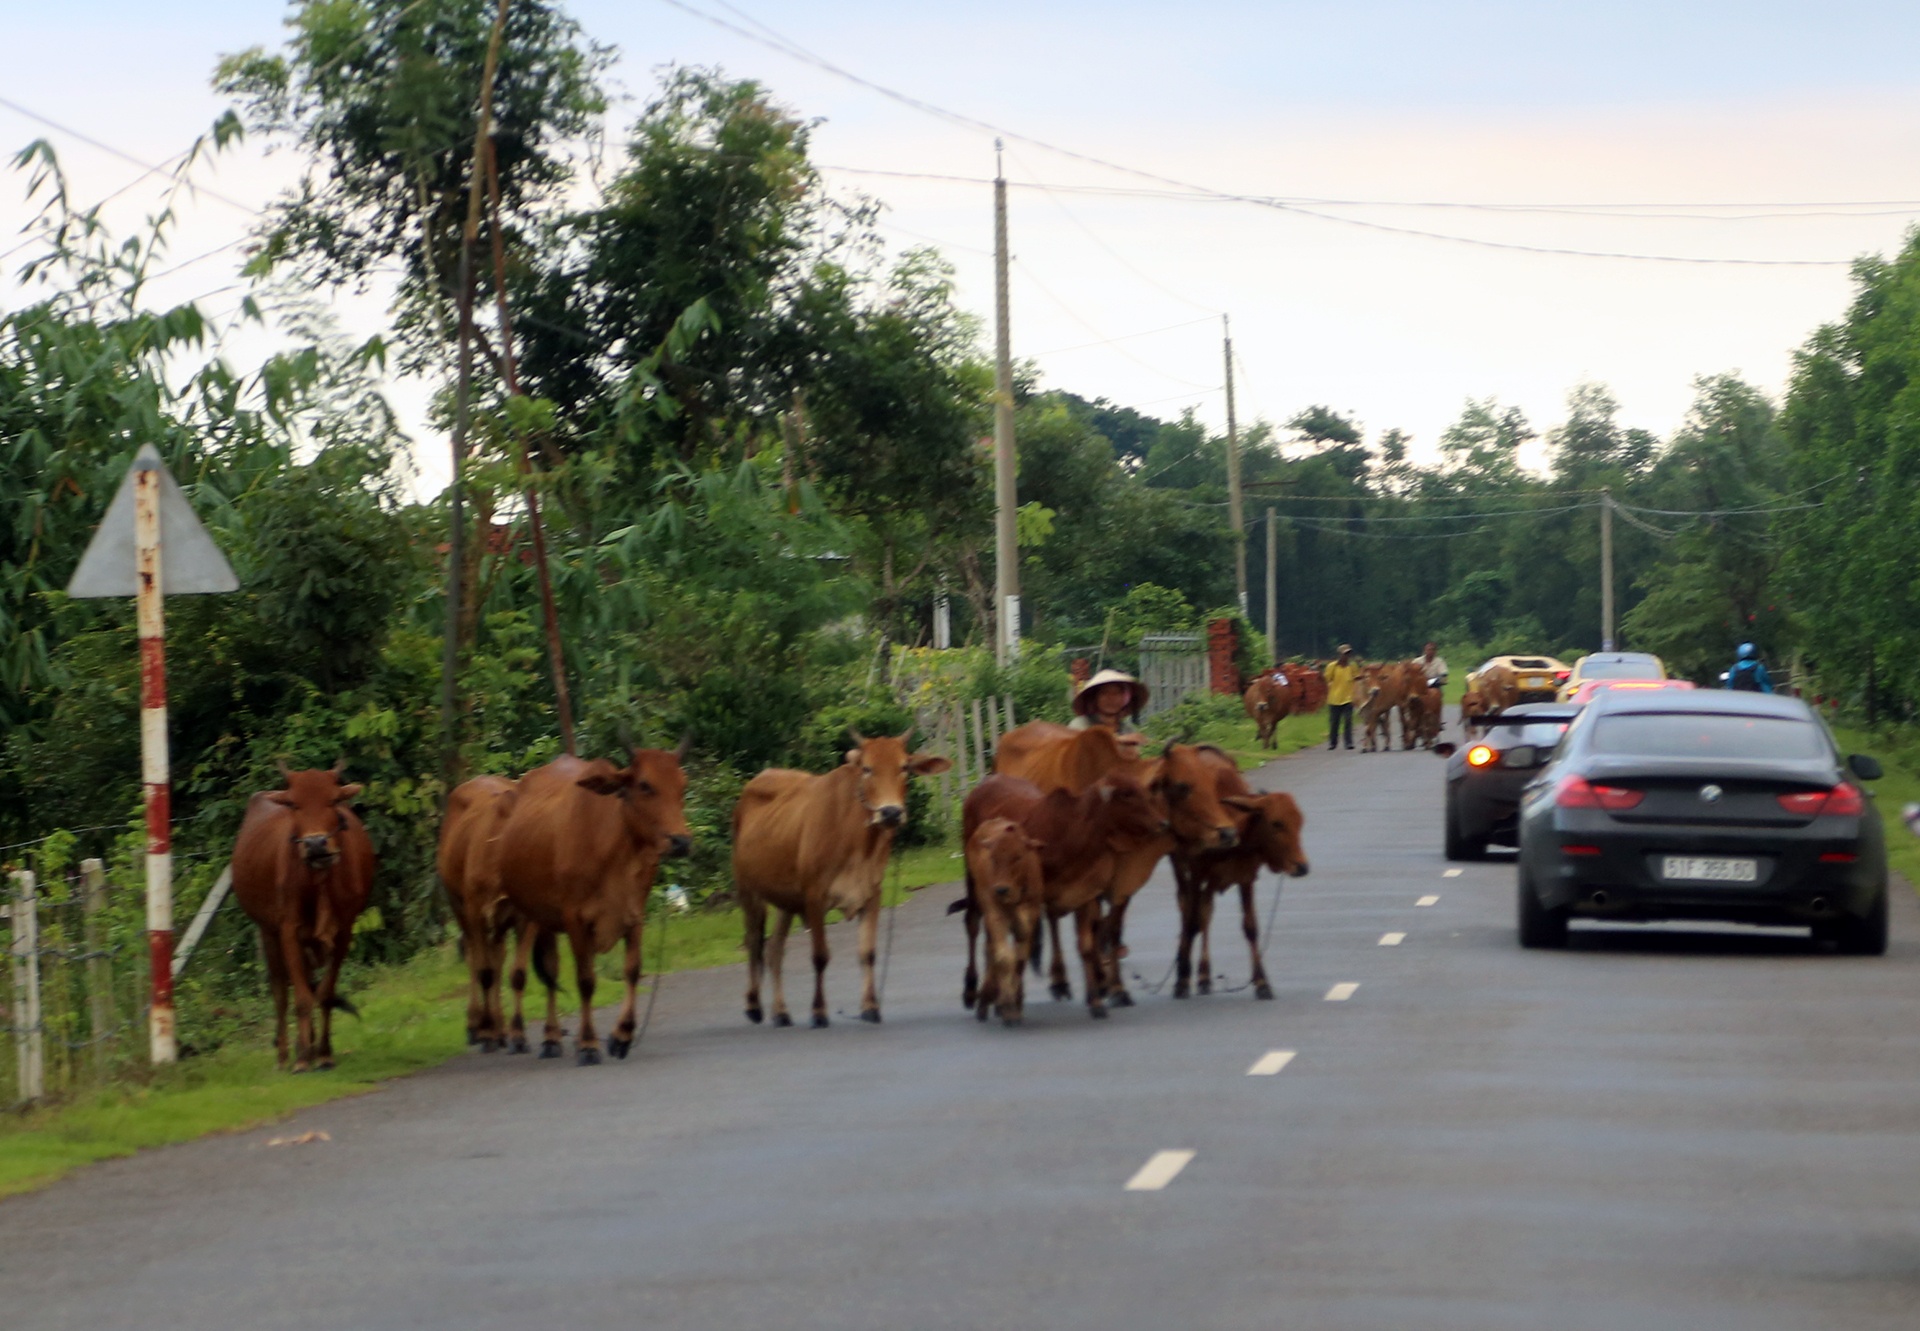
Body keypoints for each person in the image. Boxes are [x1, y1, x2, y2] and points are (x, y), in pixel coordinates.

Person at [1069, 669, 1150, 731]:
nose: (1111, 698)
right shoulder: (1080, 726)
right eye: (1104, 693)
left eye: (1116, 693)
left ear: (1124, 698)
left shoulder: (1127, 730)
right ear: (1094, 698)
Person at [1323, 644, 1360, 751]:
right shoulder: (1332, 666)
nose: (1347, 656)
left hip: (1348, 698)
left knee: (1348, 721)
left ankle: (1349, 742)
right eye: (1345, 654)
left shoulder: (1352, 666)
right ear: (1339, 654)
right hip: (1334, 698)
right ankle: (1332, 743)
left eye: (1348, 654)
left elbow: (1356, 679)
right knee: (1334, 723)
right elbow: (1327, 679)